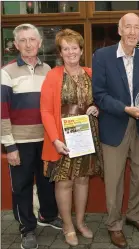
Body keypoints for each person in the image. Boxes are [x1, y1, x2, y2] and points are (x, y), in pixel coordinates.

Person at [92, 13, 139, 248]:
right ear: (119, 30)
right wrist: (126, 109)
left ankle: (134, 215)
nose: (132, 32)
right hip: (114, 124)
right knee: (114, 180)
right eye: (127, 27)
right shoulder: (103, 56)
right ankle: (114, 225)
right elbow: (99, 95)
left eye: (136, 28)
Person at [1, 23, 62, 249]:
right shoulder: (6, 73)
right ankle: (27, 228)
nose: (28, 45)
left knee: (47, 182)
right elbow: (2, 112)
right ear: (16, 45)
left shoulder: (49, 70)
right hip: (21, 142)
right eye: (23, 41)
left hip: (46, 139)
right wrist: (10, 146)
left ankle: (47, 215)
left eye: (32, 40)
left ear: (39, 43)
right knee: (22, 186)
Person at [40, 29, 103, 246]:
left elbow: (101, 99)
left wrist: (96, 107)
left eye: (74, 47)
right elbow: (46, 111)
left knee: (83, 179)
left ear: (81, 50)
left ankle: (80, 222)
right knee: (64, 182)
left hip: (86, 135)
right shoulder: (53, 75)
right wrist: (55, 139)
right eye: (65, 48)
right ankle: (67, 226)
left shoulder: (91, 73)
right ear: (60, 52)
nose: (70, 52)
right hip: (62, 138)